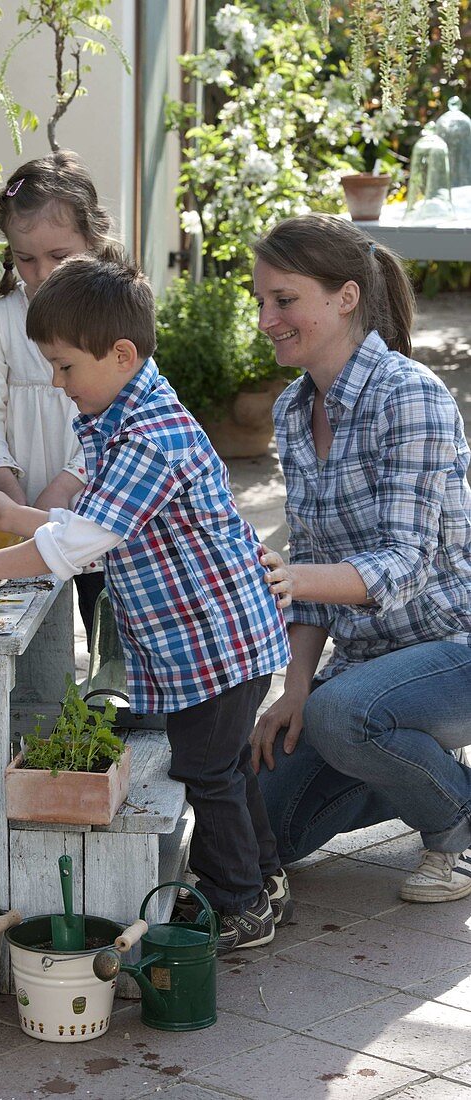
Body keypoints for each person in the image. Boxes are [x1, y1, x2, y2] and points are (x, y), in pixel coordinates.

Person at [0, 255, 294, 948]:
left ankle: (240, 903)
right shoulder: (127, 411)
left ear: (119, 354)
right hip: (218, 636)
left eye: (63, 367)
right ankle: (263, 880)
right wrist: (11, 515)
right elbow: (89, 524)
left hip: (214, 639)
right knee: (225, 764)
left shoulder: (148, 436)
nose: (57, 384)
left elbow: (77, 545)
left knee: (206, 768)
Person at [250, 213, 471, 904]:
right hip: (369, 668)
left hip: (453, 647)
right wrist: (292, 690)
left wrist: (285, 578)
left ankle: (456, 829)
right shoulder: (293, 410)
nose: (266, 319)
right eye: (260, 301)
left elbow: (403, 564)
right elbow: (314, 557)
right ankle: (421, 772)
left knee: (342, 716)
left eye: (283, 300)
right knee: (265, 832)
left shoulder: (410, 395)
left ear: (345, 297)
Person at [0, 151, 115, 645]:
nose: (42, 272)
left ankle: (117, 705)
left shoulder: (115, 318)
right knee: (29, 621)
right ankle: (45, 708)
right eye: (25, 258)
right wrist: (4, 480)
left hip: (98, 497)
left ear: (93, 242)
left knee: (106, 615)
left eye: (60, 256)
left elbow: (119, 416)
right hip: (22, 493)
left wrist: (66, 485)